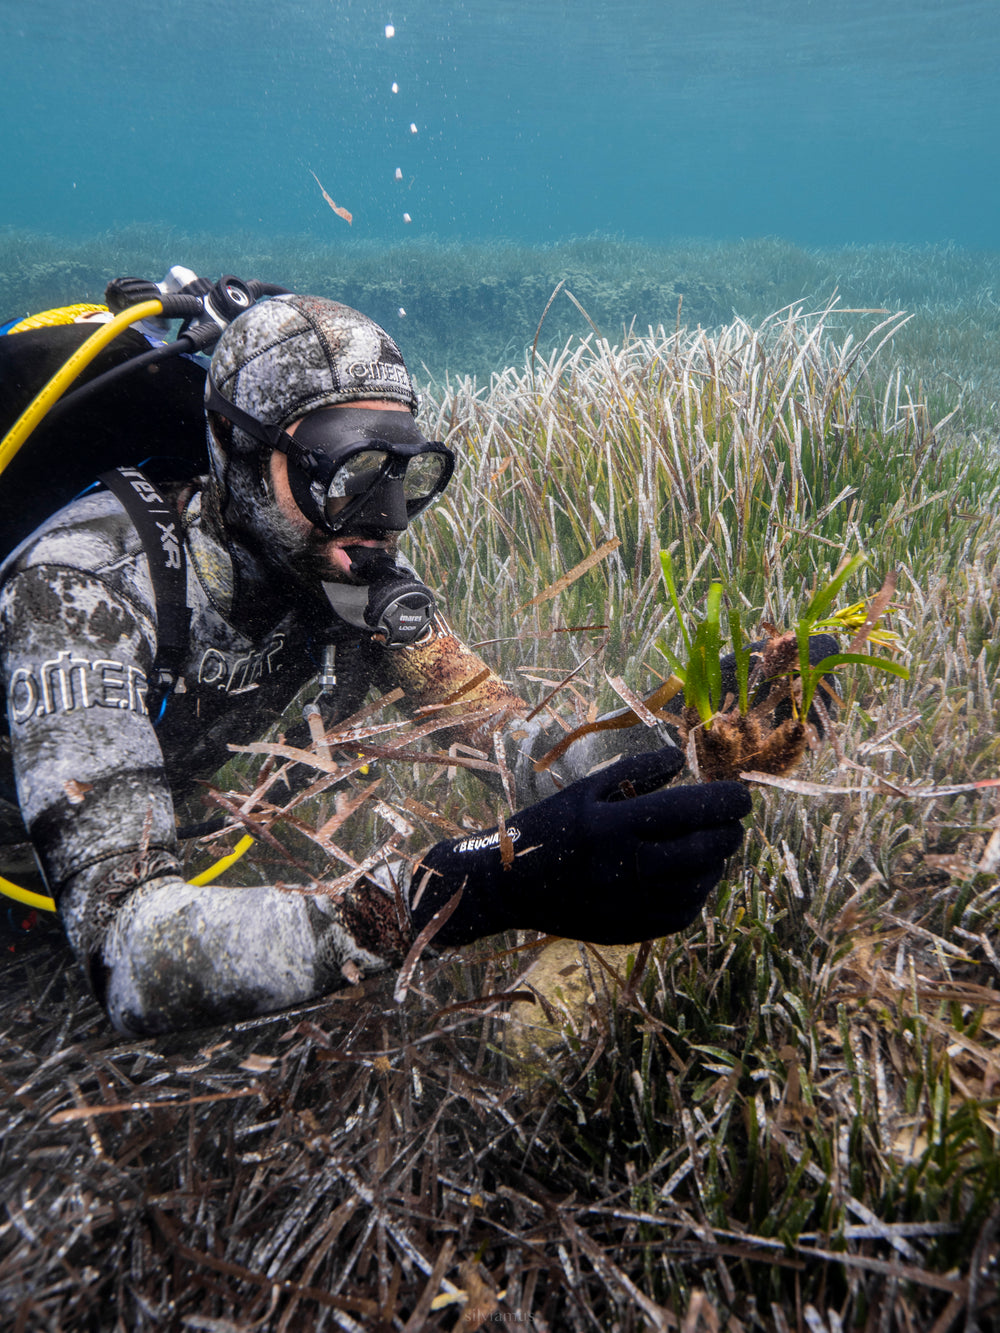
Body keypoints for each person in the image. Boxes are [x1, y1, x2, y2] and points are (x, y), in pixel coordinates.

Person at [0, 293, 752, 1036]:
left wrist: (678, 728)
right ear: (237, 452)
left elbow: (513, 744)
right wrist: (477, 886)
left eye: (402, 474)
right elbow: (133, 953)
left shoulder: (340, 570)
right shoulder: (78, 592)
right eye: (346, 472)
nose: (382, 521)